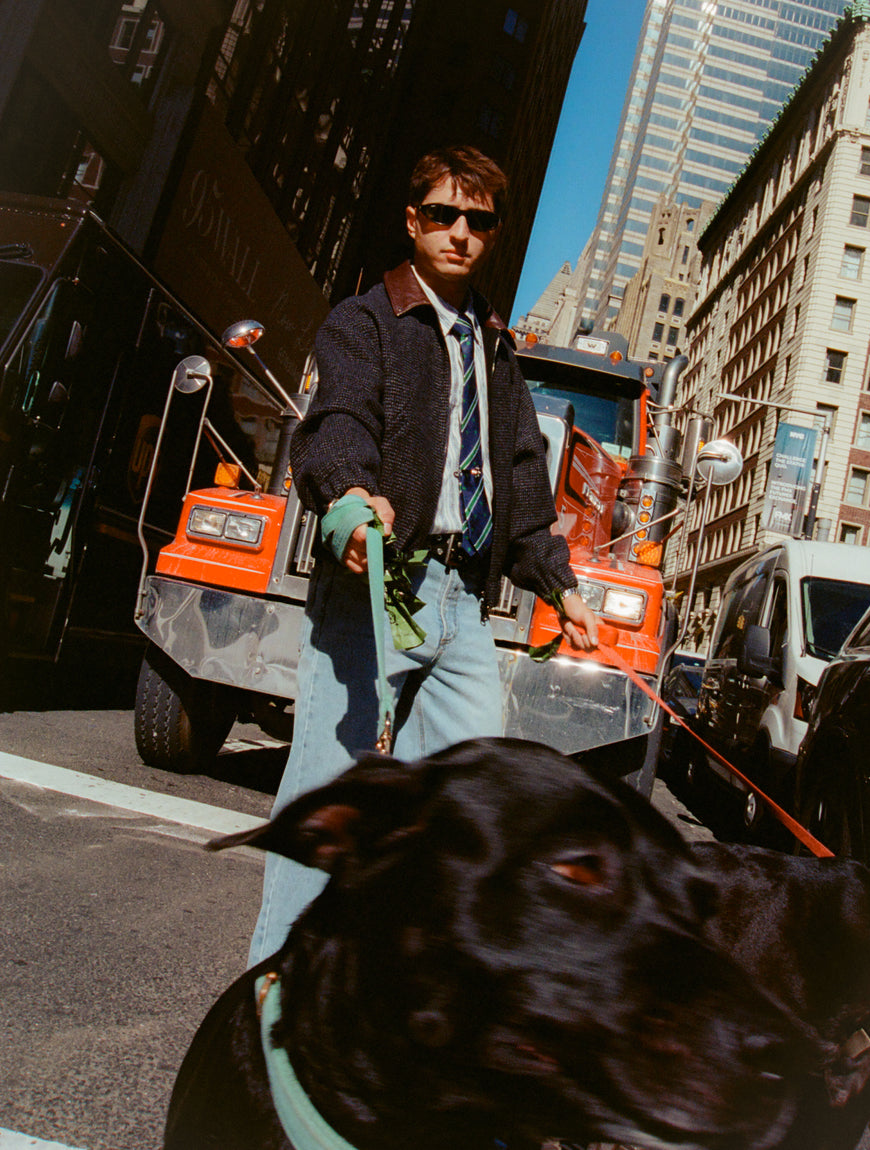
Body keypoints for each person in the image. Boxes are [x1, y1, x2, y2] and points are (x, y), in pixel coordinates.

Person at [248, 145, 598, 964]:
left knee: (459, 814)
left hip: (463, 607)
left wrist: (560, 585)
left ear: (494, 234)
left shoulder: (496, 348)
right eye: (442, 214)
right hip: (379, 587)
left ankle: (382, 992)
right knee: (329, 810)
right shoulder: (364, 322)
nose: (460, 232)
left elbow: (520, 476)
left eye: (478, 220)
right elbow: (338, 423)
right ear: (413, 221)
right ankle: (272, 997)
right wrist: (349, 497)